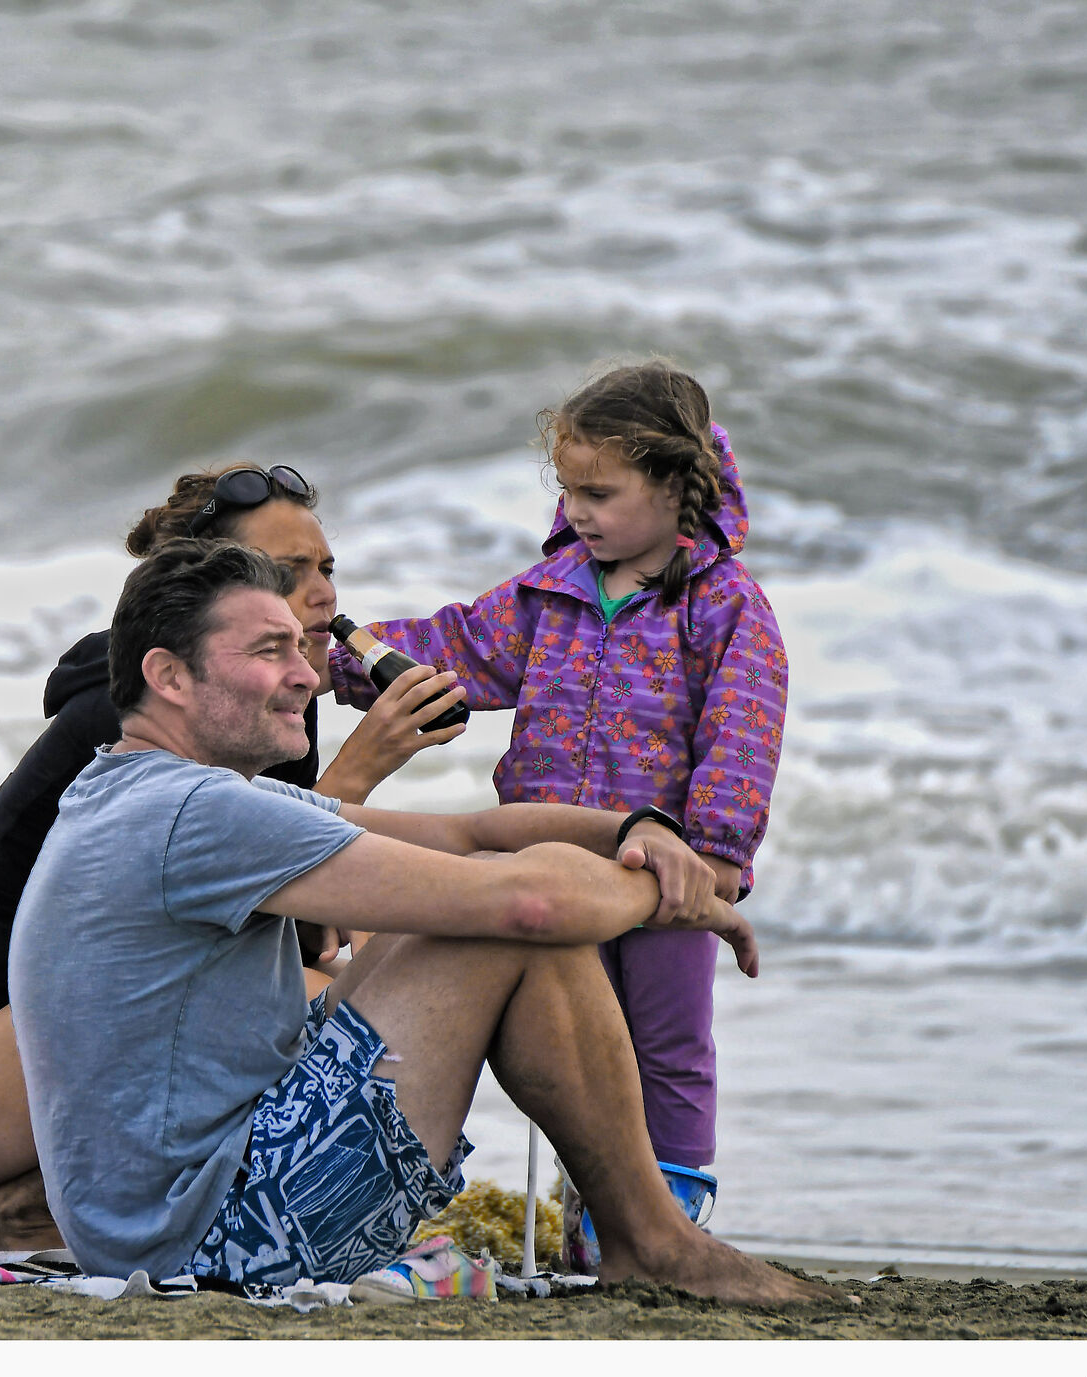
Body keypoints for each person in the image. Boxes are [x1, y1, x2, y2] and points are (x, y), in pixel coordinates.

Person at [8, 538, 830, 1303]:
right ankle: (652, 1238)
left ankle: (645, 1235)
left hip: (174, 1225)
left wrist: (638, 832)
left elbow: (466, 831)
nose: (306, 675)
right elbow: (531, 904)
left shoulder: (147, 792)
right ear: (170, 676)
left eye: (302, 647)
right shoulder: (193, 810)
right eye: (271, 652)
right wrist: (680, 894)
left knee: (466, 893)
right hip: (217, 1238)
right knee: (505, 921)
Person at [0, 463, 469, 1242]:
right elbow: (227, 901)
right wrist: (362, 772)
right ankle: (41, 1210)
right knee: (311, 1009)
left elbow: (288, 928)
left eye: (326, 569)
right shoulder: (142, 714)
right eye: (286, 573)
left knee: (358, 989)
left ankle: (55, 1207)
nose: (323, 597)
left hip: (44, 1036)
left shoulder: (267, 707)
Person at [326, 361, 783, 1230]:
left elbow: (745, 726)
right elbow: (454, 645)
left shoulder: (724, 605)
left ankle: (673, 1204)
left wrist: (717, 858)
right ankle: (593, 1203)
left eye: (601, 493)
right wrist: (344, 657)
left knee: (668, 1045)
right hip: (546, 866)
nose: (578, 511)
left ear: (673, 486)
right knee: (574, 1042)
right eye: (570, 490)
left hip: (662, 873)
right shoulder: (550, 594)